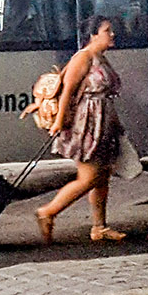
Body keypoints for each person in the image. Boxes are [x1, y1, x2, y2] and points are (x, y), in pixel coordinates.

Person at [36, 15, 128, 244]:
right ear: (93, 35)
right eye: (107, 30)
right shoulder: (83, 58)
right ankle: (48, 212)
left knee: (102, 176)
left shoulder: (101, 58)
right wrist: (58, 122)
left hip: (102, 124)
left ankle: (100, 227)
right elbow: (67, 91)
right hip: (86, 126)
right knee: (89, 178)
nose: (112, 34)